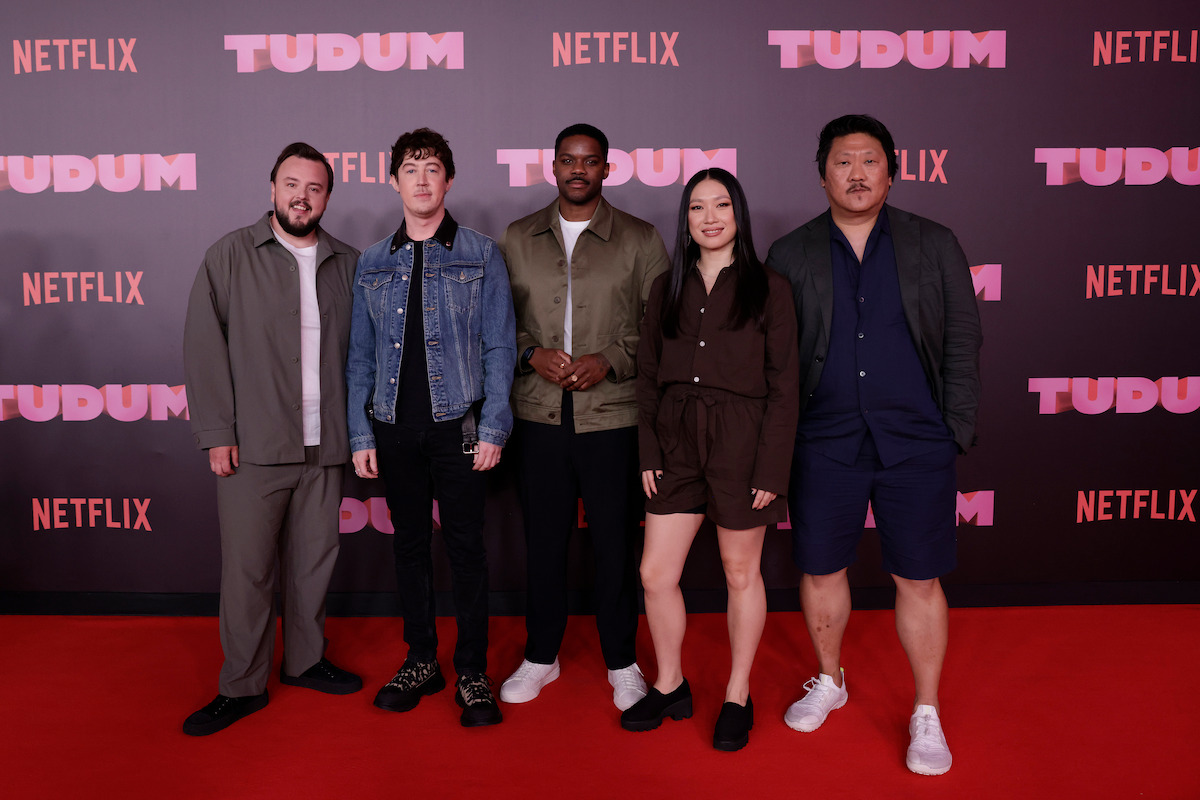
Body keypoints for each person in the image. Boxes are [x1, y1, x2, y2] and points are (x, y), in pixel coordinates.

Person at [765, 114, 982, 775]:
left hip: (916, 442)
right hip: (823, 440)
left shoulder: (933, 244)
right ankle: (831, 679)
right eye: (842, 162)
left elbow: (962, 340)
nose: (856, 174)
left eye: (869, 161)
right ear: (821, 172)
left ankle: (925, 711)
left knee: (918, 578)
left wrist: (954, 429)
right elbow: (776, 360)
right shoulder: (791, 253)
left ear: (893, 167)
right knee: (821, 570)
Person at [182, 142, 362, 736]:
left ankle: (306, 661)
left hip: (326, 443)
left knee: (313, 564)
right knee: (249, 571)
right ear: (272, 189)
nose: (301, 197)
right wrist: (216, 432)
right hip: (254, 446)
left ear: (327, 197)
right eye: (291, 184)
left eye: (313, 188)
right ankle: (241, 685)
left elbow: (366, 357)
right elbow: (204, 350)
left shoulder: (349, 263)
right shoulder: (229, 256)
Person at [620, 168, 799, 751]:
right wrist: (649, 448)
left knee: (740, 572)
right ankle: (671, 683)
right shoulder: (665, 287)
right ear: (686, 220)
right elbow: (646, 377)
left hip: (742, 443)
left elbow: (784, 385)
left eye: (722, 205)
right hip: (674, 441)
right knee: (654, 573)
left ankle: (737, 694)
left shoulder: (769, 287)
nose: (711, 217)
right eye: (698, 208)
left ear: (739, 213)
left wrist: (772, 468)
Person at [345, 127, 515, 727]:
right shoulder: (372, 262)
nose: (422, 179)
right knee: (410, 546)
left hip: (460, 428)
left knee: (467, 548)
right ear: (393, 181)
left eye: (433, 168)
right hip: (393, 428)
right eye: (410, 168)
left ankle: (471, 671)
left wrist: (495, 424)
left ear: (448, 180)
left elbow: (499, 345)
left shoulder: (480, 252)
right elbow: (360, 357)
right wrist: (361, 434)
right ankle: (422, 659)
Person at [498, 123, 669, 711]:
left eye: (589, 161)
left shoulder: (642, 240)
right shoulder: (517, 238)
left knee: (617, 546)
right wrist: (530, 354)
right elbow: (494, 326)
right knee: (544, 541)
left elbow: (659, 329)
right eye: (568, 161)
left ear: (606, 169)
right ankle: (540, 656)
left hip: (613, 417)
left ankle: (622, 661)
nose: (578, 170)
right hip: (538, 416)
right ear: (552, 167)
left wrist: (611, 360)